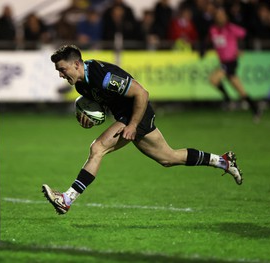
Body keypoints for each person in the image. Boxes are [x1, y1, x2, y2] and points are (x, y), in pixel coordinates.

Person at [42, 45, 243, 215]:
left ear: (76, 64)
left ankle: (67, 199)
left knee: (97, 148)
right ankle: (222, 161)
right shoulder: (80, 85)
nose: (60, 74)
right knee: (168, 158)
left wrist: (132, 125)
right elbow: (105, 103)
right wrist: (92, 118)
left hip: (137, 114)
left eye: (62, 69)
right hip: (126, 116)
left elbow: (142, 94)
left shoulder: (103, 76)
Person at [209, 7, 261, 120]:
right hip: (223, 62)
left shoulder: (231, 28)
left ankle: (228, 100)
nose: (220, 17)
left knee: (213, 79)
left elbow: (247, 36)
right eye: (218, 15)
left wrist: (242, 48)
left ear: (226, 16)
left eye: (222, 15)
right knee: (240, 90)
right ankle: (256, 108)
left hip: (231, 61)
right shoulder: (213, 30)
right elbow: (212, 43)